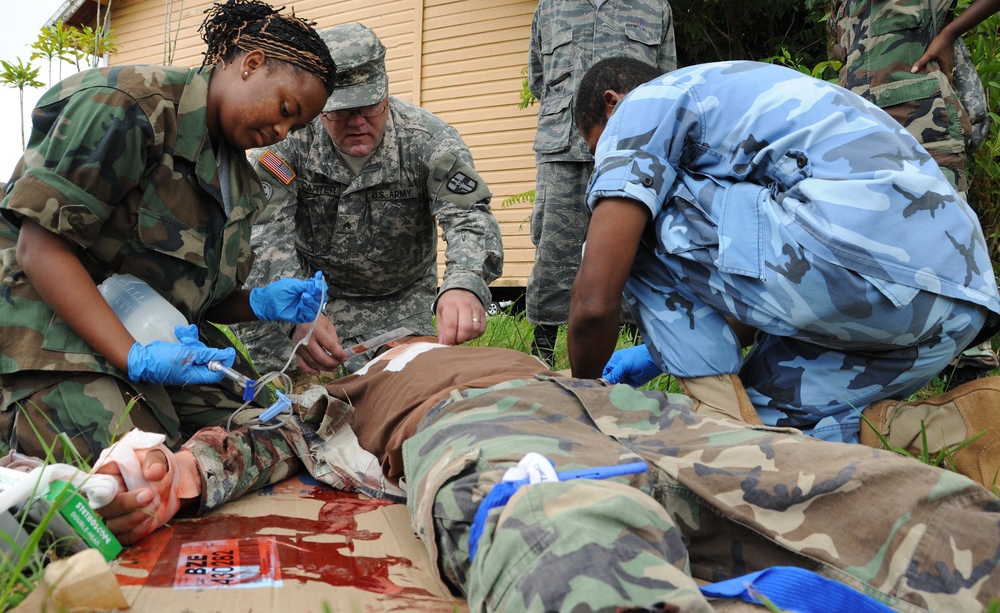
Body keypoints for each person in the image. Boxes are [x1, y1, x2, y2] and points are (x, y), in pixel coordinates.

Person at [97, 340, 1000, 612]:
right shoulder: (345, 390)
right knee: (562, 536)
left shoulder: (487, 341)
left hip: (630, 411)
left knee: (883, 487)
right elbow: (244, 443)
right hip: (485, 436)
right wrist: (166, 476)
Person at [568, 57, 1000, 486]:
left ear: (611, 103)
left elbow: (594, 300)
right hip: (954, 303)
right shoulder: (735, 98)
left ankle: (716, 414)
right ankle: (951, 427)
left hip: (862, 263)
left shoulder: (642, 106)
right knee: (766, 427)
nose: (603, 158)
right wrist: (654, 354)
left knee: (625, 221)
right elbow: (756, 282)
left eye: (597, 147)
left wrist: (581, 405)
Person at [0, 0, 342, 463]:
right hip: (43, 315)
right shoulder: (126, 106)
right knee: (140, 461)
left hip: (139, 321)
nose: (284, 134)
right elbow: (40, 251)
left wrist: (262, 304)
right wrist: (134, 359)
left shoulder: (240, 182)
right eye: (285, 109)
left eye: (296, 127)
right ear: (251, 64)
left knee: (266, 434)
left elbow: (197, 296)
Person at [234, 22, 504, 375]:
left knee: (399, 386)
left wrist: (463, 283)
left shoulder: (429, 141)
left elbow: (469, 219)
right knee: (306, 398)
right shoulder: (288, 143)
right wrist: (298, 312)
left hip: (397, 302)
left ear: (386, 94)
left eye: (370, 107)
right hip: (305, 293)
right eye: (342, 111)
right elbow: (263, 234)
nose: (358, 121)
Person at [829, 0, 1000, 382]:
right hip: (860, 131)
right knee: (868, 239)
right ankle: (894, 358)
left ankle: (974, 368)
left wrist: (951, 33)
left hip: (924, 120)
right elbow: (844, 53)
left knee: (946, 233)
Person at [525, 0, 676, 364]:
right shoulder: (549, 7)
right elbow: (540, 81)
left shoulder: (652, 3)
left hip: (631, 154)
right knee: (554, 254)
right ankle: (540, 354)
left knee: (632, 252)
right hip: (563, 152)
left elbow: (665, 82)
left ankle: (626, 356)